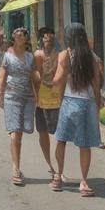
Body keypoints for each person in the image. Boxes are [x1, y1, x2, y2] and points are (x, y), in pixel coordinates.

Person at [50, 22, 103, 196]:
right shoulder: (93, 57)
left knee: (61, 140)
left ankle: (57, 177)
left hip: (69, 102)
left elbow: (58, 80)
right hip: (87, 103)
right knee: (84, 144)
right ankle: (84, 182)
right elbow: (96, 85)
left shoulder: (65, 55)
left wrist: (47, 81)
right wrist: (97, 105)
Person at [0, 26, 35, 187]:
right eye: (18, 34)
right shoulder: (7, 56)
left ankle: (16, 165)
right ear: (14, 38)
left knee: (22, 131)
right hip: (11, 97)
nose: (21, 37)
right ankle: (16, 169)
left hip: (27, 98)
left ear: (26, 39)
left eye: (24, 35)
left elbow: (34, 77)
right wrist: (0, 92)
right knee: (15, 133)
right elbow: (2, 76)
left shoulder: (30, 57)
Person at [33, 27, 62, 180]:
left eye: (50, 36)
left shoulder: (60, 55)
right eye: (45, 37)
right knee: (43, 132)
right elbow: (35, 75)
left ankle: (58, 167)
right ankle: (50, 164)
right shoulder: (37, 55)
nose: (48, 39)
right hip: (40, 99)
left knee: (56, 134)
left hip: (56, 99)